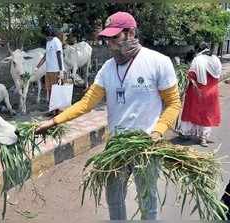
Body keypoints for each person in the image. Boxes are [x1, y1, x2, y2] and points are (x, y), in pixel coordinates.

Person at [35, 12, 181, 220]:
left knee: (147, 201)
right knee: (114, 198)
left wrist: (157, 132)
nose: (110, 44)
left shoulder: (158, 62)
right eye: (107, 39)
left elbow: (174, 103)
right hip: (116, 145)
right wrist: (54, 120)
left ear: (131, 33)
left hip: (147, 146)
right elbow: (87, 103)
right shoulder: (107, 68)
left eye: (115, 37)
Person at [178, 43, 222, 147]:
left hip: (197, 91)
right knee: (207, 114)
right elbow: (218, 76)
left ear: (199, 49)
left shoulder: (197, 60)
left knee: (191, 111)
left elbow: (191, 76)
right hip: (212, 91)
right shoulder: (215, 59)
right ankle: (203, 138)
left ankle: (185, 133)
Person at [35, 25, 65, 114]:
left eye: (46, 35)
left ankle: (58, 111)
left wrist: (61, 71)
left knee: (56, 91)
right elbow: (45, 56)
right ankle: (52, 110)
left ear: (50, 34)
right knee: (50, 91)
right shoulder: (48, 42)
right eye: (45, 36)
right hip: (49, 71)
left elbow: (59, 55)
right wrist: (37, 66)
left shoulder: (56, 41)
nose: (46, 37)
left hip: (56, 71)